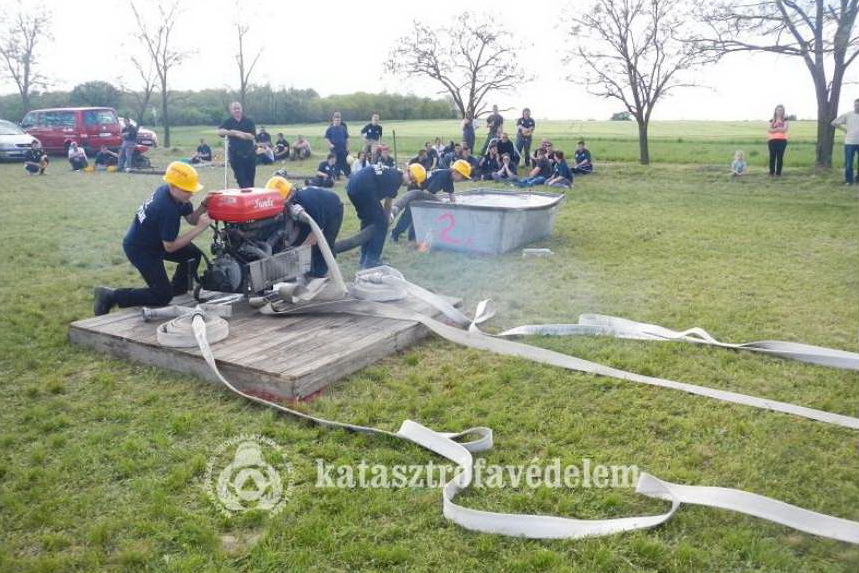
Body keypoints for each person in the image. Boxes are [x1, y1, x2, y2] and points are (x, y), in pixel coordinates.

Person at [93, 162, 211, 315]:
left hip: (156, 241)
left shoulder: (173, 195)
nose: (191, 194)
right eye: (188, 190)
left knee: (192, 255)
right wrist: (199, 229)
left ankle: (178, 289)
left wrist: (204, 205)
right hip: (141, 249)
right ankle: (110, 296)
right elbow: (170, 246)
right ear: (173, 186)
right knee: (162, 295)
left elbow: (192, 219)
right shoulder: (167, 209)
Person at [346, 164, 423, 269]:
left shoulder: (391, 173)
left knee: (368, 221)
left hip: (352, 186)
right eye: (411, 178)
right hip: (364, 187)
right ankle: (372, 260)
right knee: (381, 224)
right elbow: (388, 203)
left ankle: (364, 259)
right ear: (406, 170)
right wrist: (386, 219)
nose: (410, 182)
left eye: (413, 182)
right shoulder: (396, 179)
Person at [265, 176, 344, 278]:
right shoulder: (293, 201)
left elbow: (317, 232)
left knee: (323, 244)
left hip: (332, 209)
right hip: (315, 212)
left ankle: (320, 275)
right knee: (305, 244)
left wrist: (299, 251)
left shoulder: (308, 203)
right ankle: (307, 270)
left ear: (290, 194)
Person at [390, 160, 471, 242]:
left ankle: (412, 238)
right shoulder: (442, 176)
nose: (463, 180)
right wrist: (441, 202)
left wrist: (456, 207)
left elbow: (451, 194)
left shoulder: (449, 177)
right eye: (463, 177)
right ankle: (394, 234)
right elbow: (427, 192)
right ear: (455, 172)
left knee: (417, 217)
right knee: (409, 216)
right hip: (415, 192)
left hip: (421, 193)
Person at [218, 101, 257, 188]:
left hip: (249, 155)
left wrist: (244, 135)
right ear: (231, 111)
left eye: (238, 108)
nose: (237, 110)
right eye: (234, 108)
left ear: (241, 109)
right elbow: (220, 132)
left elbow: (252, 136)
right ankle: (245, 196)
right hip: (235, 156)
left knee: (250, 180)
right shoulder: (228, 122)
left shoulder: (249, 121)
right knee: (242, 180)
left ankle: (250, 198)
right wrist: (234, 133)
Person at [831, 98, 859, 185]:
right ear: (853, 105)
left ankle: (857, 179)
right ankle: (849, 180)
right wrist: (844, 130)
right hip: (850, 142)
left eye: (858, 105)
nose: (857, 107)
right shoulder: (848, 115)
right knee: (848, 163)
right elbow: (834, 123)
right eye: (855, 105)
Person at [324, 111, 350, 178]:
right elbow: (326, 138)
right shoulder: (330, 129)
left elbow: (347, 138)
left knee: (344, 161)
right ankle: (336, 175)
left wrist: (347, 147)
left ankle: (348, 174)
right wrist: (330, 144)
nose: (337, 121)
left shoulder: (343, 128)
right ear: (333, 120)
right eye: (336, 120)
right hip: (334, 149)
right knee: (335, 162)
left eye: (338, 120)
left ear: (340, 120)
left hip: (343, 148)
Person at [767, 104, 789, 177]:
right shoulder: (772, 120)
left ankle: (778, 173)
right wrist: (779, 129)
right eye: (778, 110)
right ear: (775, 111)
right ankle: (771, 172)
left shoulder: (785, 120)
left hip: (782, 141)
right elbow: (770, 130)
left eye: (781, 110)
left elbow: (785, 129)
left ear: (783, 111)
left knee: (780, 157)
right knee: (772, 157)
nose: (780, 111)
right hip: (772, 140)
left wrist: (775, 129)